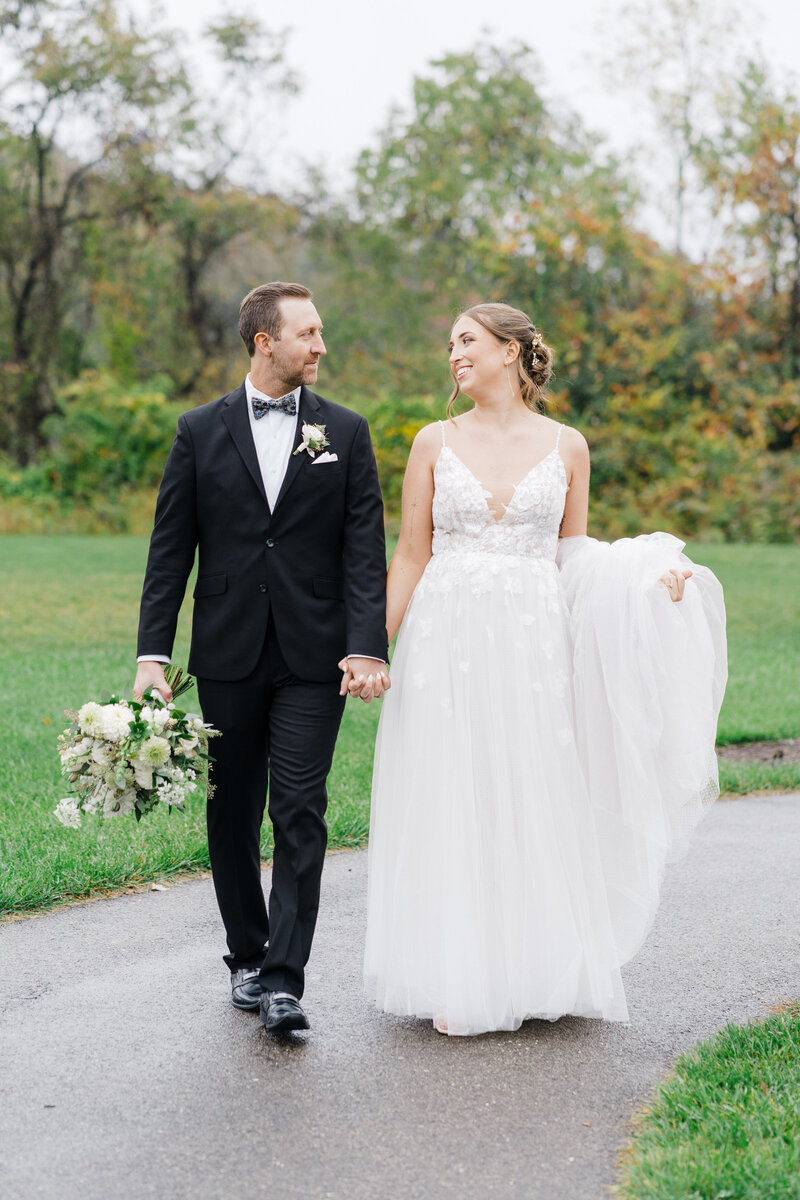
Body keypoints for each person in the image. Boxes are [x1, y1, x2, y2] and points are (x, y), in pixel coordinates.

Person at [363, 302, 727, 1036]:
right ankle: (456, 971)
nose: (454, 355)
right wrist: (375, 645)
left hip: (532, 640)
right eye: (451, 344)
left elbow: (575, 555)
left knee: (533, 789)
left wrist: (648, 579)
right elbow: (410, 552)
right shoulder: (434, 441)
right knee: (453, 788)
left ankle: (536, 969)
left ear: (510, 352)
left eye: (467, 341)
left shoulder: (568, 446)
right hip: (446, 636)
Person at [135, 282, 389, 1033]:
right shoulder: (198, 431)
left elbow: (363, 553)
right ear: (263, 342)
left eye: (320, 333)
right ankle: (246, 954)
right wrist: (155, 654)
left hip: (316, 655)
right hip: (228, 651)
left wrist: (365, 645)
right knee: (232, 808)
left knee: (301, 809)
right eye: (307, 333)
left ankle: (285, 979)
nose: (320, 346)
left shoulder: (345, 430)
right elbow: (169, 553)